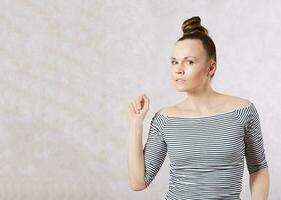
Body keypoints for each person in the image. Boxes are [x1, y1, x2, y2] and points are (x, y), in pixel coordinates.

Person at [127, 16, 270, 199]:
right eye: (174, 61)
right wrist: (135, 124)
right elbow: (138, 182)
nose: (178, 69)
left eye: (189, 61)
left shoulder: (242, 111)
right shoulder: (165, 119)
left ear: (211, 68)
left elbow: (258, 169)